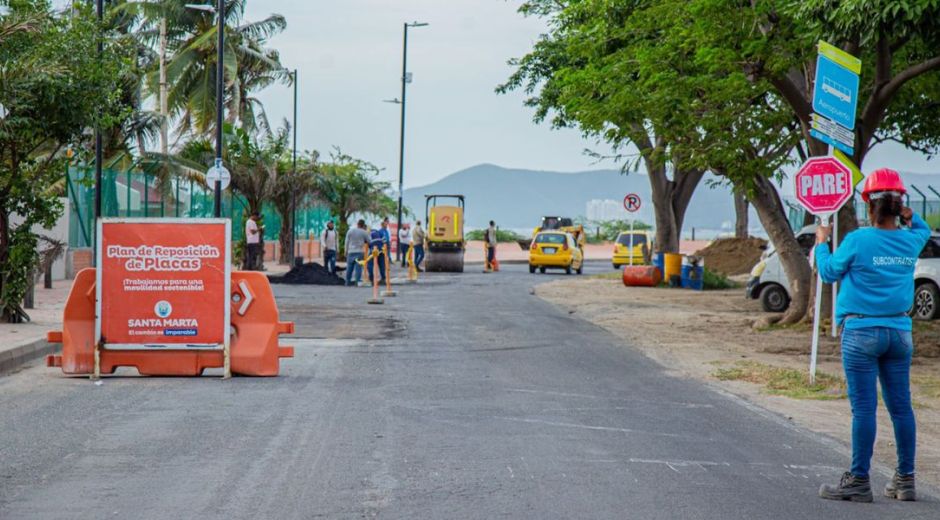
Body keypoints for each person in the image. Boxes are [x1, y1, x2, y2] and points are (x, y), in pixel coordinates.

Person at [816, 169, 930, 503]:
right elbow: (922, 229)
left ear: (867, 204)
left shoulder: (857, 240)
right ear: (900, 205)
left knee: (864, 410)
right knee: (901, 409)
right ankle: (905, 480)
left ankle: (858, 480)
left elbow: (828, 272)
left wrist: (821, 243)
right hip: (899, 333)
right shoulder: (910, 240)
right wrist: (911, 214)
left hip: (861, 332)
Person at [344, 219, 370, 286]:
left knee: (349, 267)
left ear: (357, 224)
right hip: (360, 252)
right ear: (363, 225)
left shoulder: (350, 231)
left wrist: (345, 251)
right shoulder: (364, 232)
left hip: (351, 252)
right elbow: (370, 241)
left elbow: (346, 242)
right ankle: (357, 282)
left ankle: (347, 282)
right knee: (358, 268)